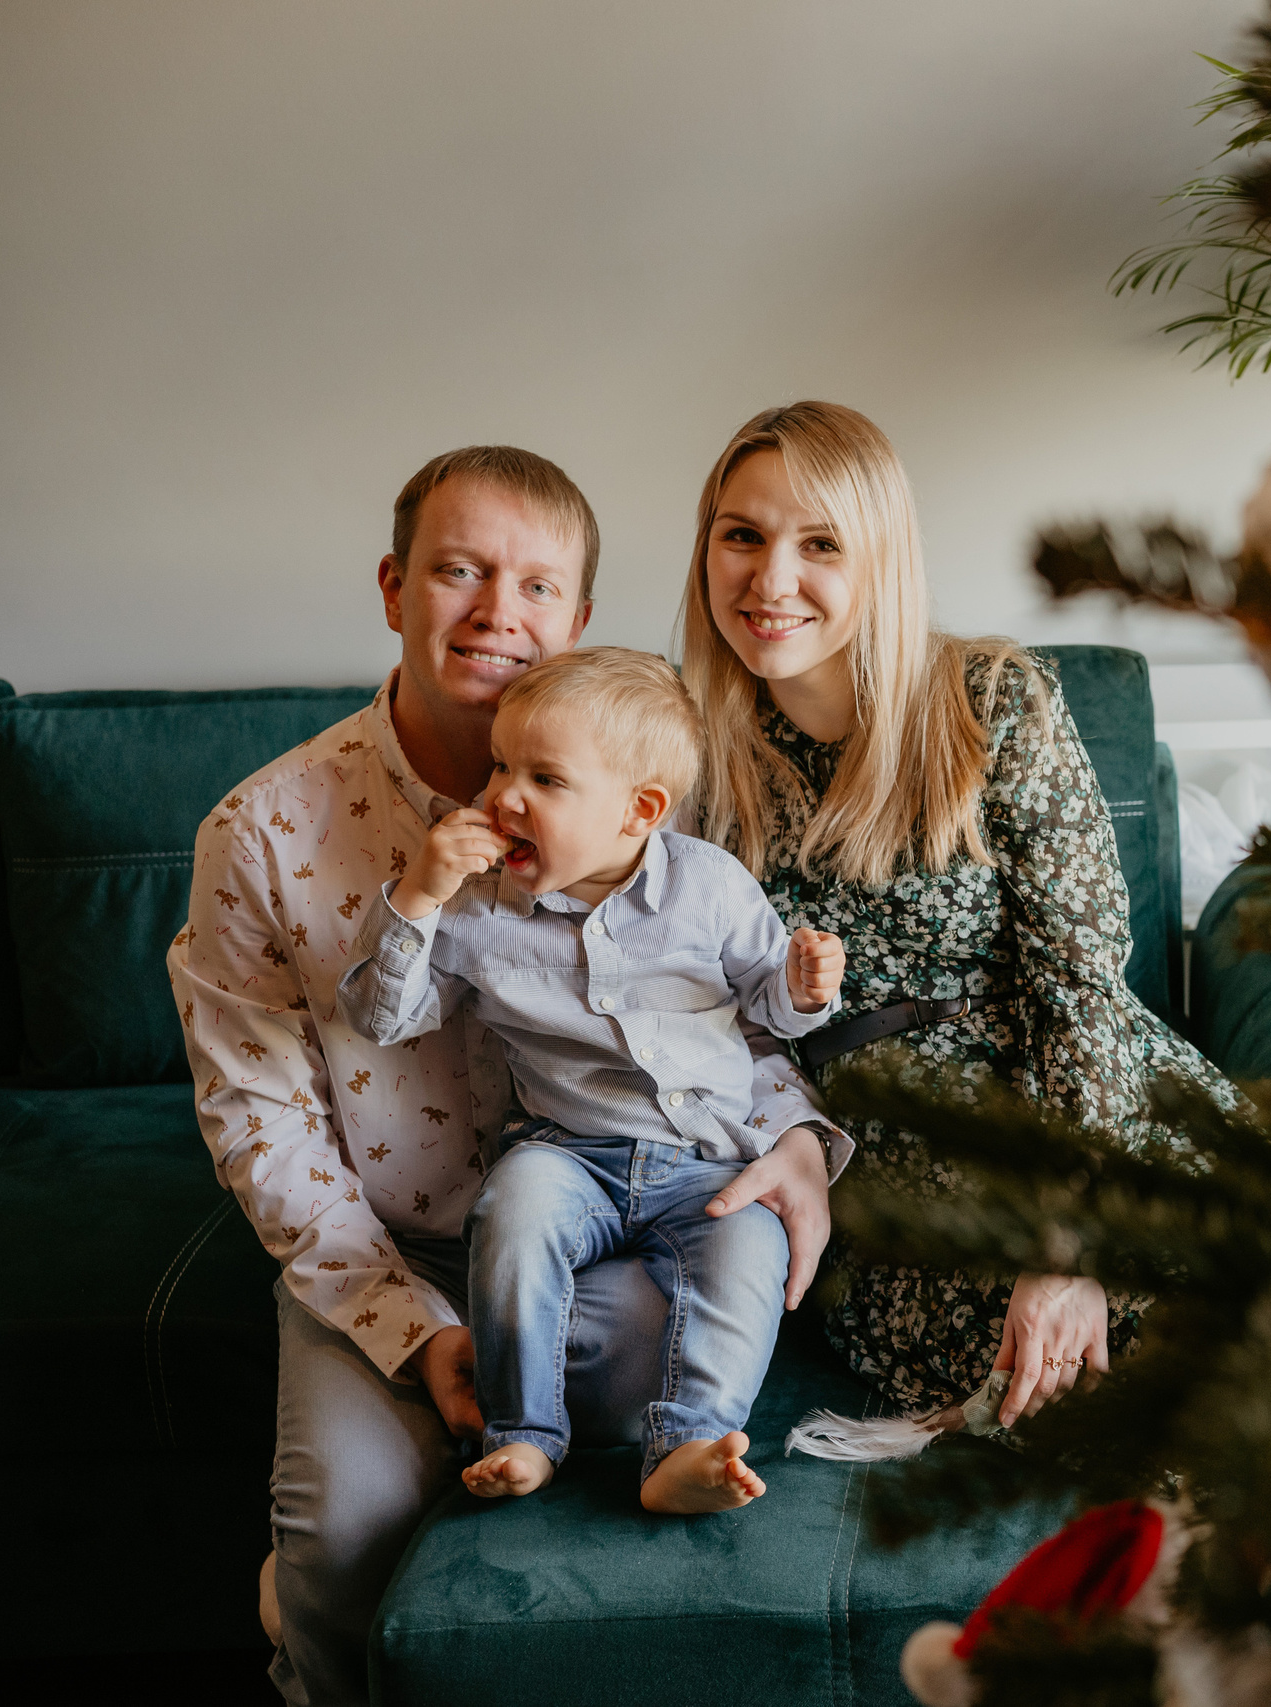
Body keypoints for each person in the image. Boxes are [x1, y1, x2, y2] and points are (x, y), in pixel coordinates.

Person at [168, 447, 843, 1705]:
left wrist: (795, 1137)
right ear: (394, 587)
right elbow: (260, 1122)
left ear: (577, 619)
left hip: (612, 1237)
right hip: (395, 1247)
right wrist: (414, 1333)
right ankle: (313, 1638)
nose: (496, 614)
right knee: (341, 1534)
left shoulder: (644, 788)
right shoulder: (259, 835)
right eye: (458, 572)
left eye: (536, 586)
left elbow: (720, 1013)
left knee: (688, 1369)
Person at [678, 401, 1237, 1433]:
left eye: (821, 544)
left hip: (1085, 1097)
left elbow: (1078, 986)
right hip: (879, 1155)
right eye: (742, 535)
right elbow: (679, 1014)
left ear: (880, 559)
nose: (770, 580)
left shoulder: (990, 702)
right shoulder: (681, 752)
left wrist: (1070, 1246)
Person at [338, 646, 848, 1512]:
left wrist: (804, 989)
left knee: (750, 1251)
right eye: (500, 764)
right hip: (567, 1150)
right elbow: (382, 1016)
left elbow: (769, 1009)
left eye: (544, 777)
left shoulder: (711, 887)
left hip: (709, 1162)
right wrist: (418, 895)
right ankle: (524, 1433)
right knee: (512, 1213)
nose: (502, 794)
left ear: (638, 810)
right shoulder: (476, 906)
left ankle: (687, 1445)